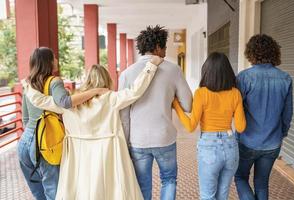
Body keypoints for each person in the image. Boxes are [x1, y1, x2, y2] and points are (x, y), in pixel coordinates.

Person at [23, 56, 164, 200]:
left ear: (87, 79)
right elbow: (135, 91)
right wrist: (150, 66)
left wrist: (27, 86)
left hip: (78, 155)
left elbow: (40, 100)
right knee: (112, 189)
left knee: (80, 189)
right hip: (109, 152)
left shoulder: (70, 103)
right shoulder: (111, 98)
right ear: (107, 79)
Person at [19, 47, 106, 200]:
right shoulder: (54, 81)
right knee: (53, 191)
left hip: (25, 143)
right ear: (48, 62)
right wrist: (95, 91)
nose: (57, 60)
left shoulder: (29, 84)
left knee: (38, 192)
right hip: (45, 144)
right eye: (54, 57)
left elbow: (25, 119)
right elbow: (65, 102)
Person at [118, 25, 192, 200]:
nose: (165, 51)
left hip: (138, 140)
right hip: (164, 137)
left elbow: (123, 114)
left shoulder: (126, 74)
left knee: (142, 184)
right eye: (164, 47)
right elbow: (188, 105)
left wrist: (127, 142)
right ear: (158, 47)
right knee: (169, 179)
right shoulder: (173, 70)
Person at [173, 52, 246, 200]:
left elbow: (191, 126)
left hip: (209, 148)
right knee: (222, 194)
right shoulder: (235, 94)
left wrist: (176, 105)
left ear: (206, 71)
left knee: (207, 196)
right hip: (231, 146)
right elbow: (240, 127)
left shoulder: (201, 93)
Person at [234, 34, 293, 200]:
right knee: (262, 182)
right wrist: (282, 133)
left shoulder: (244, 77)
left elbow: (236, 110)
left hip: (247, 140)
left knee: (240, 177)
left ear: (251, 53)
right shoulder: (285, 78)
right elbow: (287, 113)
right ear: (274, 52)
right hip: (272, 143)